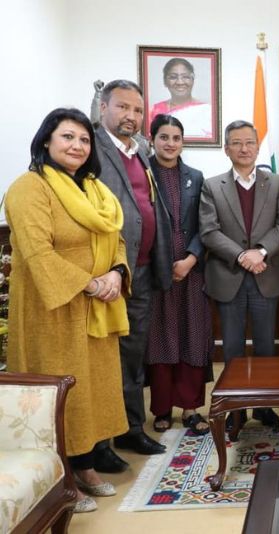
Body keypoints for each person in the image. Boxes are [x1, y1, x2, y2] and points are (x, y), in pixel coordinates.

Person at [6, 108, 130, 513]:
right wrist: (91, 283)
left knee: (90, 392)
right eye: (67, 137)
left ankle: (86, 466)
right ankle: (59, 479)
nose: (77, 145)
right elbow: (38, 253)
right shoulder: (29, 187)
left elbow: (116, 238)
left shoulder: (94, 190)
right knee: (61, 393)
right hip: (54, 311)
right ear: (47, 140)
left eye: (83, 139)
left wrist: (115, 273)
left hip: (97, 308)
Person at [95, 79, 173, 469]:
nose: (131, 116)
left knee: (132, 355)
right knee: (102, 357)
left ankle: (130, 428)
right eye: (123, 107)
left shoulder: (140, 151)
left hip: (140, 271)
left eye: (138, 110)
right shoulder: (90, 149)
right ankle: (97, 441)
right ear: (103, 107)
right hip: (105, 274)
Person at [199, 120, 279, 429]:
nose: (244, 148)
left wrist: (260, 251)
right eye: (236, 143)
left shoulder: (276, 183)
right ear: (226, 149)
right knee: (234, 349)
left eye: (249, 142)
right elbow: (209, 231)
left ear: (257, 146)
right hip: (228, 277)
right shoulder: (212, 186)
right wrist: (242, 256)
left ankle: (264, 407)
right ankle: (234, 410)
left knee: (267, 348)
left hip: (267, 275)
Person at [145, 114, 214, 435]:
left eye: (176, 138)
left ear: (182, 142)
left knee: (192, 336)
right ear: (152, 139)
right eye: (164, 137)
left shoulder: (196, 177)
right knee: (160, 339)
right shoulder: (140, 173)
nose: (170, 143)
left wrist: (190, 258)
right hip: (155, 273)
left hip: (191, 272)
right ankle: (161, 408)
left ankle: (190, 408)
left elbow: (205, 225)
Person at [148, 58, 213, 139]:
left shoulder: (207, 110)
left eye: (185, 77)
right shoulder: (154, 110)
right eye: (173, 77)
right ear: (165, 81)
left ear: (192, 80)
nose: (180, 82)